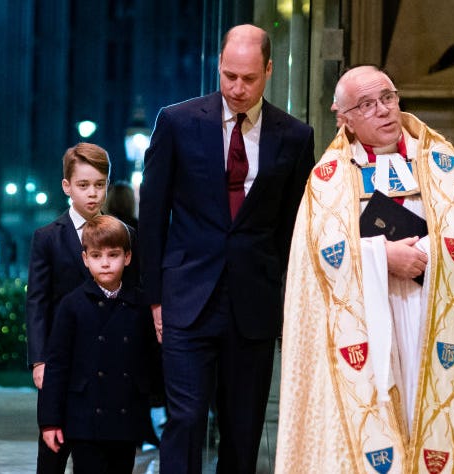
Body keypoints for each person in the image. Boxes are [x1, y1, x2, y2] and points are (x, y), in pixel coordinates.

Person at [275, 65, 454, 473]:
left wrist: (427, 254)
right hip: (366, 319)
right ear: (342, 116)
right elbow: (314, 261)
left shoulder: (442, 163)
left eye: (388, 97)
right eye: (366, 104)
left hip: (430, 310)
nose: (383, 110)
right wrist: (382, 258)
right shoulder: (328, 182)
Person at [138, 23, 314, 474]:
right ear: (218, 65)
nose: (237, 88)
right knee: (186, 421)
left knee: (243, 430)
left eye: (249, 78)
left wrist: (284, 303)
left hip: (253, 305)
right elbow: (153, 218)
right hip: (185, 298)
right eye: (229, 75)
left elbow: (294, 229)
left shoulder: (295, 137)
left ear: (269, 70)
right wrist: (155, 299)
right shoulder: (176, 122)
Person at [26, 142, 137, 473]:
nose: (92, 194)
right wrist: (39, 359)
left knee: (103, 454)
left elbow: (133, 296)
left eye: (99, 185)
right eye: (83, 185)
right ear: (67, 186)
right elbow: (37, 302)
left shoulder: (124, 236)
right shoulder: (47, 237)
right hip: (62, 360)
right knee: (53, 452)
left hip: (109, 361)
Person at [38, 215, 154, 474]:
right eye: (97, 256)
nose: (105, 263)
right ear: (85, 259)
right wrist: (49, 422)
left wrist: (153, 401)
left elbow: (150, 359)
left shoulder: (140, 304)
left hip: (125, 417)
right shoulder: (72, 305)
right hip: (84, 416)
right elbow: (57, 365)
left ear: (127, 257)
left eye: (112, 255)